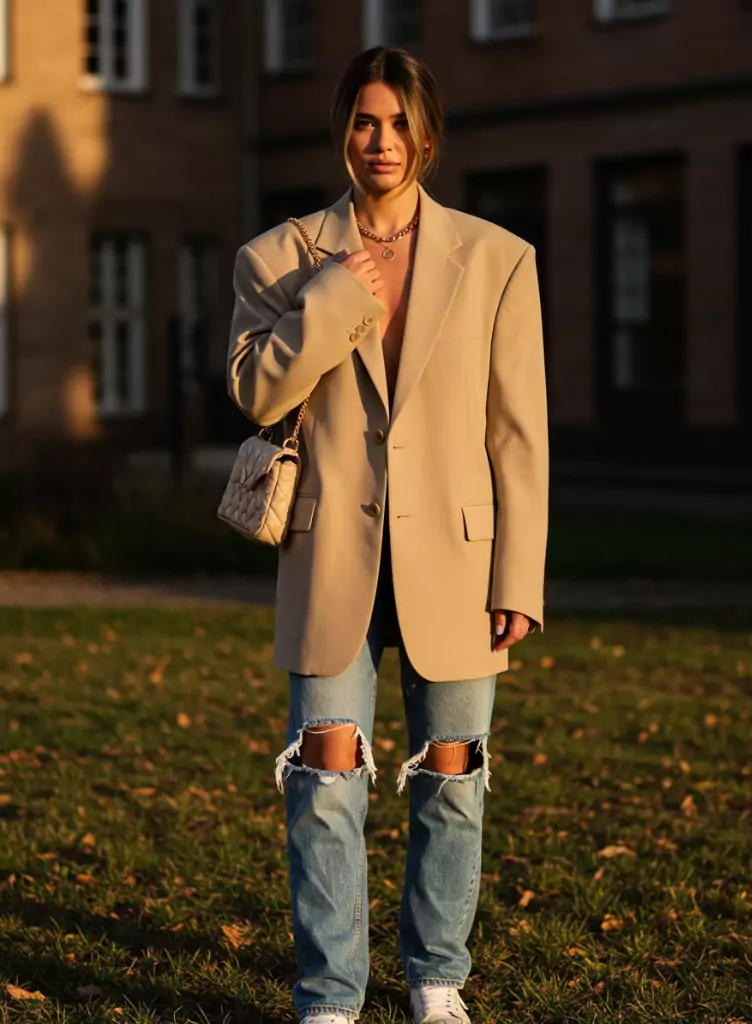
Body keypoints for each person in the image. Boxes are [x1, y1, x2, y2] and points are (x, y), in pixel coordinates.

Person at [227, 46, 548, 1024]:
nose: (382, 141)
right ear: (342, 130)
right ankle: (331, 995)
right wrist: (334, 297)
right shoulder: (278, 258)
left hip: (456, 555)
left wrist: (520, 575)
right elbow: (253, 389)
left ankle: (436, 974)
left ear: (428, 134)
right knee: (324, 779)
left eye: (400, 122)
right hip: (331, 553)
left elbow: (516, 430)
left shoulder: (498, 260)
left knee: (453, 777)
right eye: (366, 121)